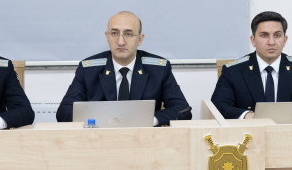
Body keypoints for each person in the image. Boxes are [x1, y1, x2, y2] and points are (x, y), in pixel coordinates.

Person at [56, 11, 192, 126]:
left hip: (143, 142)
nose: (120, 42)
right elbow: (64, 112)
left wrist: (148, 120)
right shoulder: (88, 69)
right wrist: (101, 121)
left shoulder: (159, 69)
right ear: (107, 37)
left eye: (128, 34)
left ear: (140, 39)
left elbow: (183, 110)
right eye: (114, 33)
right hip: (99, 141)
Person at [211, 11, 292, 119]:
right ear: (253, 40)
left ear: (285, 40)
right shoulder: (233, 71)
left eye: (277, 35)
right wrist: (247, 115)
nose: (271, 42)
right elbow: (217, 107)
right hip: (250, 136)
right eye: (264, 35)